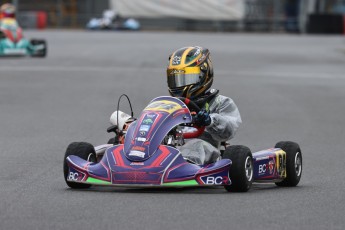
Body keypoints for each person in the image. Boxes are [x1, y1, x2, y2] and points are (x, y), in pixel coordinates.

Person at [166, 46, 242, 165]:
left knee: (196, 145)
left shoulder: (220, 102)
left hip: (204, 153)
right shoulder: (169, 105)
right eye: (177, 79)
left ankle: (183, 164)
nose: (180, 85)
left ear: (204, 75)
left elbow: (230, 129)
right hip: (170, 150)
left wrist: (210, 120)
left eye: (188, 78)